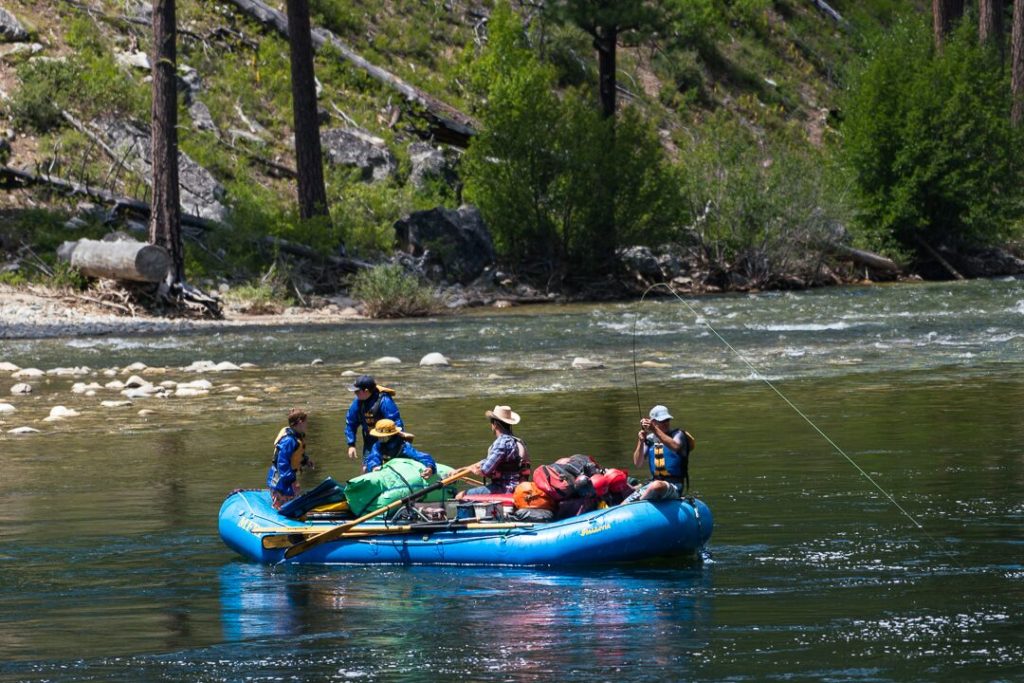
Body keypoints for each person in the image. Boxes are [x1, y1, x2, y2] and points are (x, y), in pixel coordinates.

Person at [627, 404, 693, 501]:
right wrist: (641, 441)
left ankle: (640, 503)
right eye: (662, 421)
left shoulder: (678, 434)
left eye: (667, 420)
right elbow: (638, 463)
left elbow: (675, 446)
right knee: (626, 502)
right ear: (653, 422)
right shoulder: (649, 439)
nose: (666, 423)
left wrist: (654, 429)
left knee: (657, 486)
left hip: (674, 485)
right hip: (653, 483)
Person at [461, 405, 531, 496]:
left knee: (461, 495)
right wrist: (463, 469)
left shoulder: (502, 442)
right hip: (519, 487)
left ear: (495, 424)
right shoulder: (517, 441)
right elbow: (488, 461)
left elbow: (485, 471)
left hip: (504, 488)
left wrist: (473, 470)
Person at [344, 374, 403, 466]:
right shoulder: (357, 402)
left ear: (366, 391)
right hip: (370, 441)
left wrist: (396, 443)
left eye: (357, 391)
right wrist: (351, 445)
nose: (354, 393)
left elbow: (396, 422)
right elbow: (351, 424)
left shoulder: (384, 401)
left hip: (389, 440)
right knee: (366, 467)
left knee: (388, 465)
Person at [267, 408, 315, 510]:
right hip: (281, 478)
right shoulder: (288, 441)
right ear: (300, 423)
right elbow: (282, 463)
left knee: (293, 495)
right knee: (283, 498)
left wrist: (306, 461)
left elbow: (296, 454)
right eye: (306, 422)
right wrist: (292, 480)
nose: (307, 425)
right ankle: (278, 510)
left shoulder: (296, 437)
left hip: (287, 476)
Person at [363, 419, 436, 479]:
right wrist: (374, 467)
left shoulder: (403, 447)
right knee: (365, 468)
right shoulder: (377, 445)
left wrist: (430, 468)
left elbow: (423, 457)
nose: (380, 438)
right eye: (379, 436)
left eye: (383, 437)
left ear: (392, 435)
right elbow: (373, 457)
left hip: (402, 474)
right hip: (384, 472)